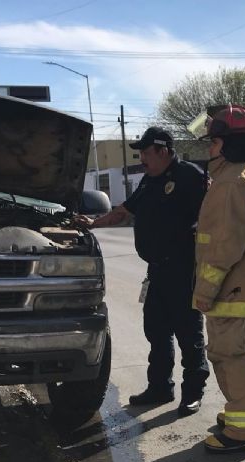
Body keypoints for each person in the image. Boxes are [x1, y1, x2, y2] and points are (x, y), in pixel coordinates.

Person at [74, 127, 210, 417]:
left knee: (189, 334)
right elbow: (124, 211)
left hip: (184, 270)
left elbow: (212, 217)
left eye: (146, 153)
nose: (142, 158)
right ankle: (160, 387)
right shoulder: (149, 181)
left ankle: (193, 393)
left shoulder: (190, 177)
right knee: (157, 331)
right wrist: (93, 223)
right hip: (157, 271)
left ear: (163, 151)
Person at [191, 105, 245, 453]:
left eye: (213, 142)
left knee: (232, 357)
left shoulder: (228, 183)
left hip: (232, 292)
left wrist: (204, 292)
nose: (209, 148)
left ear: (226, 144)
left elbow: (223, 248)